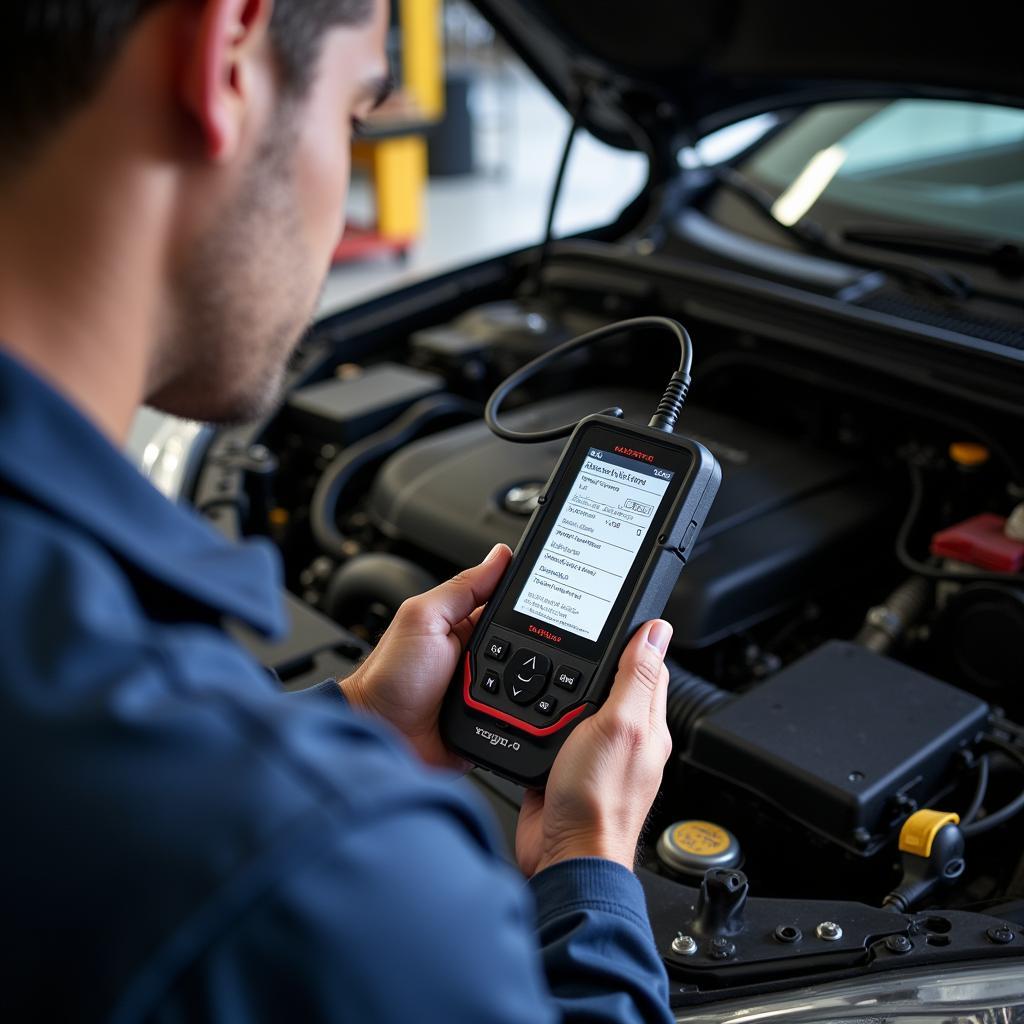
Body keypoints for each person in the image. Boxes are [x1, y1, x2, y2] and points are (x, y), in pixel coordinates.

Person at [0, 1, 677, 1020]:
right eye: (359, 116)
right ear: (227, 53)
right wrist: (589, 863)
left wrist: (355, 718)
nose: (344, 176)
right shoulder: (328, 873)